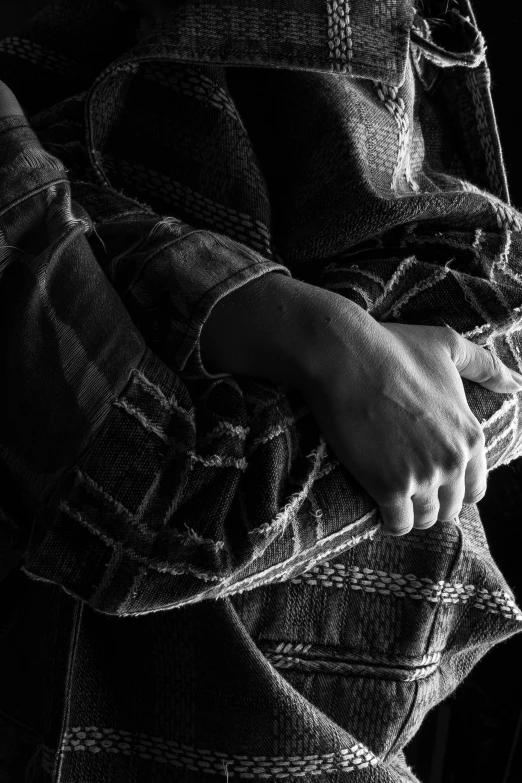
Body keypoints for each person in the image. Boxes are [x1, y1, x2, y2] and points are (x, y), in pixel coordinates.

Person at [0, 1, 521, 781]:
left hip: (352, 734)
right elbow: (138, 496)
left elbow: (485, 364)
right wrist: (310, 333)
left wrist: (292, 330)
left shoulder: (352, 29)